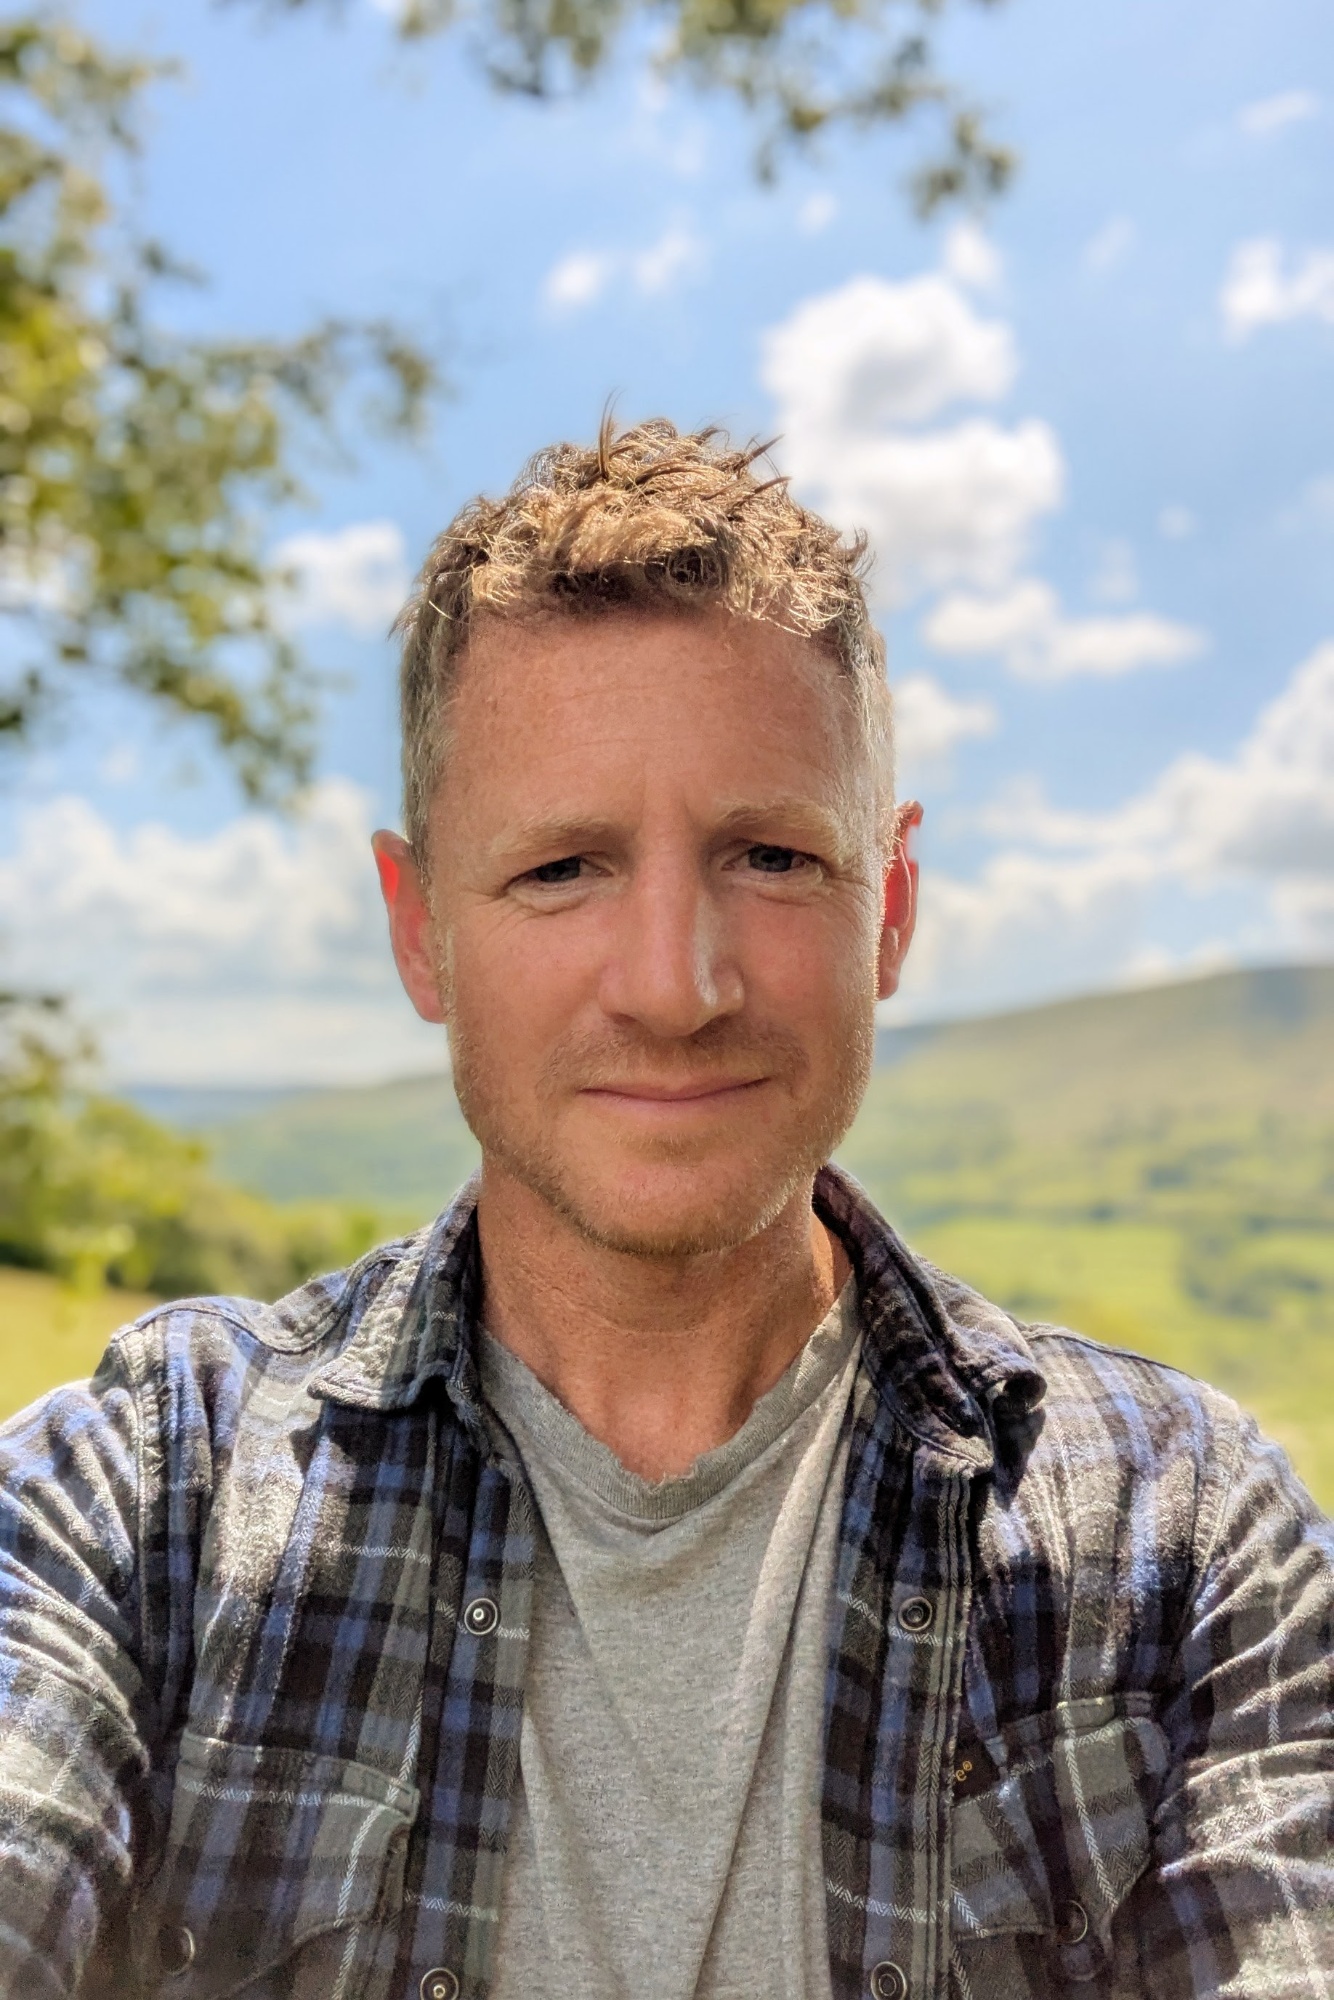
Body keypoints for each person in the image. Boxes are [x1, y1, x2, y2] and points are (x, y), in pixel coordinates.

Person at [0, 420, 1330, 2000]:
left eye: (770, 856)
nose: (673, 987)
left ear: (888, 906)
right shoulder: (148, 1495)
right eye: (561, 868)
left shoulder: (1185, 1543)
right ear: (419, 931)